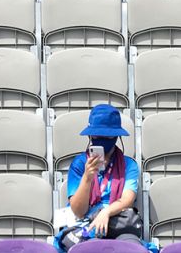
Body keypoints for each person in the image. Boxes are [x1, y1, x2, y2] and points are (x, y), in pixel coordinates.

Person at [55, 104, 144, 250]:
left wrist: (106, 212)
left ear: (116, 136)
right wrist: (87, 178)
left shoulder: (129, 165)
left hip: (117, 222)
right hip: (85, 223)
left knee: (132, 248)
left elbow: (127, 199)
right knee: (86, 248)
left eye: (107, 136)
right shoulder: (79, 163)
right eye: (97, 136)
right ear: (90, 136)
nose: (102, 139)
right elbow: (78, 210)